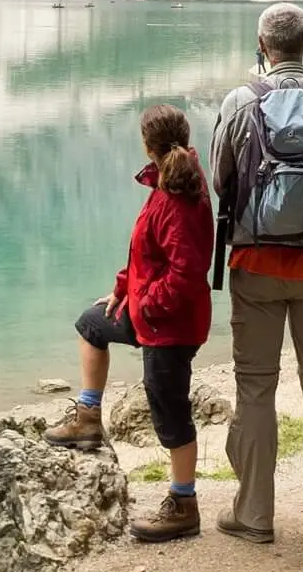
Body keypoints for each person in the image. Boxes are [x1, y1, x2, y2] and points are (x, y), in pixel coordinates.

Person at [211, 2, 303, 544]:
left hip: (254, 266)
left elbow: (221, 179)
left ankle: (254, 515)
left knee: (255, 388)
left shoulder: (238, 101)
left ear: (262, 45)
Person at [46, 104, 215, 542]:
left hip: (170, 325)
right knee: (92, 324)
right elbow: (144, 253)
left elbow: (185, 274)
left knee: (169, 412)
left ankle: (184, 504)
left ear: (147, 144)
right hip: (150, 314)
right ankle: (88, 416)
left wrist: (146, 304)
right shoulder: (166, 182)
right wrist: (123, 290)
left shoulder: (180, 195)